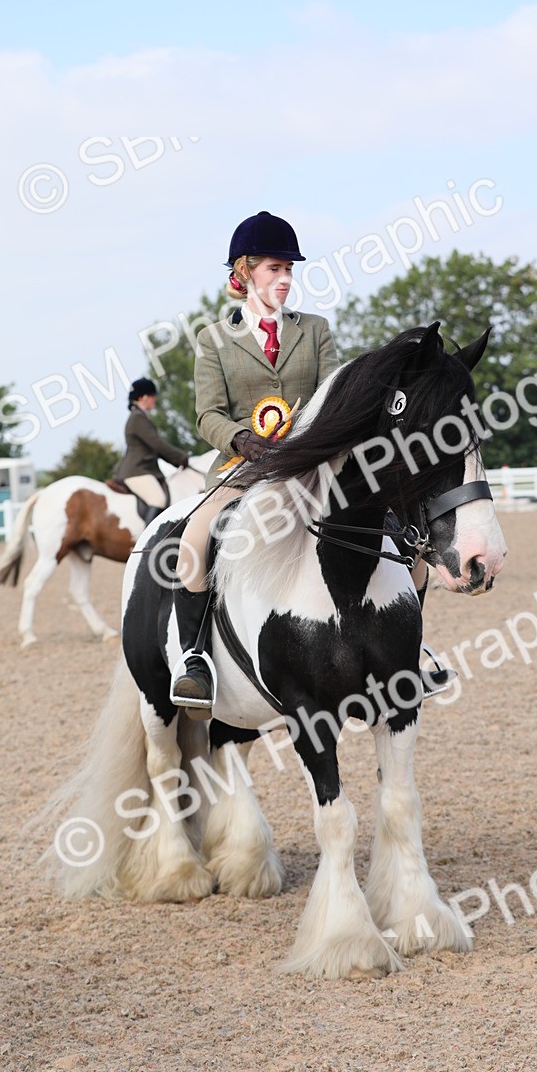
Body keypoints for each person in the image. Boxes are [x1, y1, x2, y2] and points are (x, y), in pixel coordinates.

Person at [169, 210, 339, 708]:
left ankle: (409, 644)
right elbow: (207, 414)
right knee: (193, 541)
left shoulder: (315, 330)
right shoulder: (212, 340)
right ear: (244, 274)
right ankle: (195, 656)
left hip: (314, 466)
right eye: (274, 269)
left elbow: (333, 394)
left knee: (391, 523)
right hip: (244, 468)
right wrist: (242, 440)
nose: (285, 279)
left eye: (290, 270)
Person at [112, 377, 190, 525]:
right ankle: (148, 544)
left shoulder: (139, 416)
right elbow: (157, 444)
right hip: (136, 471)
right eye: (153, 396)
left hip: (143, 469)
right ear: (143, 397)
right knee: (158, 499)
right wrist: (181, 457)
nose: (155, 400)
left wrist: (177, 461)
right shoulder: (137, 418)